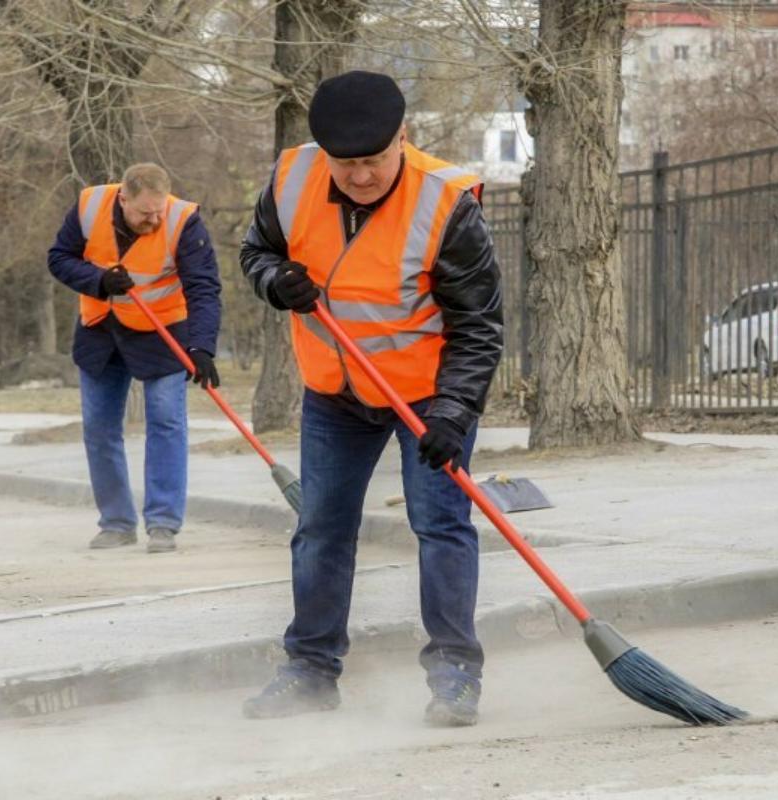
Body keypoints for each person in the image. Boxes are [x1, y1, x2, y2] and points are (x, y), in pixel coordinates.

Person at [238, 71, 503, 725]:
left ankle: (455, 676)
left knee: (441, 526)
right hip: (336, 393)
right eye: (346, 164)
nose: (359, 176)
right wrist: (277, 280)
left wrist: (454, 412)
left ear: (403, 139)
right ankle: (309, 671)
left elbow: (479, 326)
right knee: (320, 530)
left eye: (373, 161)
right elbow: (256, 251)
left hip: (426, 399)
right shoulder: (293, 178)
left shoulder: (447, 203)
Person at [48, 163, 221, 554]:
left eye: (159, 210)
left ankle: (162, 523)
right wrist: (99, 281)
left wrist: (202, 346)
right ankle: (116, 522)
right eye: (146, 212)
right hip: (101, 331)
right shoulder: (89, 206)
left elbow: (204, 287)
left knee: (166, 421)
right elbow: (59, 257)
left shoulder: (183, 221)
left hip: (162, 333)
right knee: (99, 427)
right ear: (123, 198)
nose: (155, 219)